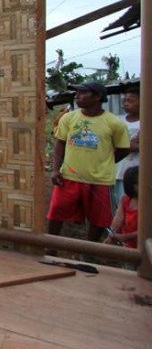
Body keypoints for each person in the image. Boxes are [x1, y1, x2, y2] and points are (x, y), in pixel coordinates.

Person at [47, 81, 130, 246]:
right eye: (77, 93)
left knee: (98, 219)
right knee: (56, 212)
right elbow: (60, 143)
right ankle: (51, 246)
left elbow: (123, 149)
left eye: (83, 93)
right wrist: (55, 170)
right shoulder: (69, 118)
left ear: (98, 97)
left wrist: (105, 163)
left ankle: (89, 250)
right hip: (69, 176)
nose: (77, 96)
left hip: (99, 179)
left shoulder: (114, 123)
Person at [112, 85, 139, 214]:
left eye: (131, 101)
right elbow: (112, 144)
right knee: (121, 206)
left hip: (139, 172)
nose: (127, 104)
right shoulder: (118, 122)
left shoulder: (146, 122)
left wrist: (127, 145)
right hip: (118, 171)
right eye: (125, 101)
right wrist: (131, 145)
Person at [104, 165, 138, 249]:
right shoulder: (125, 201)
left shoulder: (148, 204)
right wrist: (111, 235)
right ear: (133, 186)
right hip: (128, 247)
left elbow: (147, 231)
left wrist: (124, 237)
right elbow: (118, 219)